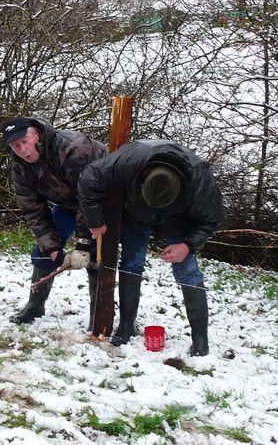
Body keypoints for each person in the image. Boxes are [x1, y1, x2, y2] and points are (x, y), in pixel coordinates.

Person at [78, 140, 225, 356]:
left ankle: (200, 340)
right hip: (137, 213)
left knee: (187, 271)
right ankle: (127, 325)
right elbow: (88, 178)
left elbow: (212, 219)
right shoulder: (130, 159)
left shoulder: (200, 179)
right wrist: (94, 220)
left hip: (179, 222)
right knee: (131, 263)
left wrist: (188, 244)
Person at [2, 116, 107, 325]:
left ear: (36, 134)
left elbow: (88, 197)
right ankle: (35, 306)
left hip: (103, 203)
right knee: (44, 252)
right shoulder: (20, 169)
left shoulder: (74, 148)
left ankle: (99, 316)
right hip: (68, 205)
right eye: (15, 145)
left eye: (24, 141)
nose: (22, 149)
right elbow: (33, 210)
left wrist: (83, 244)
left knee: (96, 256)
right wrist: (52, 247)